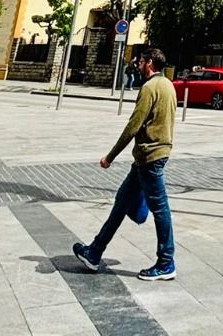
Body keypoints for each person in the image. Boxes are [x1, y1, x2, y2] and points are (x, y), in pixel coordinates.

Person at [73, 47, 179, 279]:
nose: (138, 65)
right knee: (121, 202)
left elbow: (133, 125)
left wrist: (110, 156)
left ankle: (166, 262)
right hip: (151, 156)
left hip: (150, 157)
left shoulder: (149, 88)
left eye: (141, 61)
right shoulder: (168, 85)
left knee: (160, 209)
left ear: (149, 63)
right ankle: (94, 252)